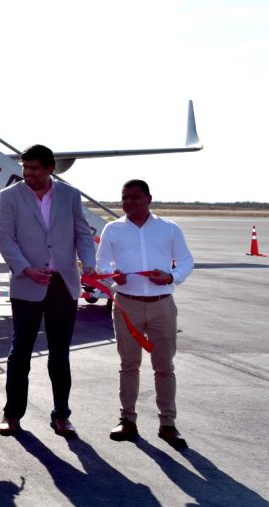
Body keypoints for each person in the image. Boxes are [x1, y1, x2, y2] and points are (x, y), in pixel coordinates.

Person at [0, 144, 96, 438]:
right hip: (27, 283)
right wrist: (26, 268)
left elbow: (82, 233)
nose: (27, 173)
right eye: (25, 168)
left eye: (34, 168)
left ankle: (61, 415)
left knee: (60, 354)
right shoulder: (9, 196)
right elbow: (5, 239)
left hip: (63, 285)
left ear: (50, 169)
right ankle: (12, 414)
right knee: (20, 353)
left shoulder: (70, 195)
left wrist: (88, 262)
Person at [96, 179, 194, 449]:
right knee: (129, 365)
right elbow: (101, 262)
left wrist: (171, 277)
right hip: (127, 304)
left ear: (149, 199)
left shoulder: (169, 228)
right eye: (125, 198)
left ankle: (168, 423)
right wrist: (113, 275)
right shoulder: (113, 229)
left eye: (135, 197)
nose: (129, 202)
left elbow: (186, 261)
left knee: (164, 366)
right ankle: (127, 419)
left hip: (162, 305)